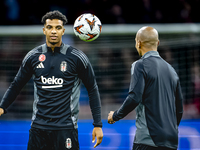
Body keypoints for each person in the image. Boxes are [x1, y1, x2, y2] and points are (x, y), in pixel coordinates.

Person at [0, 10, 103, 150]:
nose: (53, 31)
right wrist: (2, 107)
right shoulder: (33, 56)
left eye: (58, 28)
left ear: (63, 31)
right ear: (44, 30)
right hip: (38, 128)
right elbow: (16, 85)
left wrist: (97, 124)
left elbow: (92, 89)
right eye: (50, 27)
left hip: (66, 128)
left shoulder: (77, 57)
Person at [108, 26, 183, 150]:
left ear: (138, 43)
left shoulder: (140, 65)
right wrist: (170, 129)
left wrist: (115, 115)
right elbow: (179, 109)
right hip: (171, 141)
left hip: (149, 139)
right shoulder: (172, 70)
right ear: (157, 43)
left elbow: (134, 98)